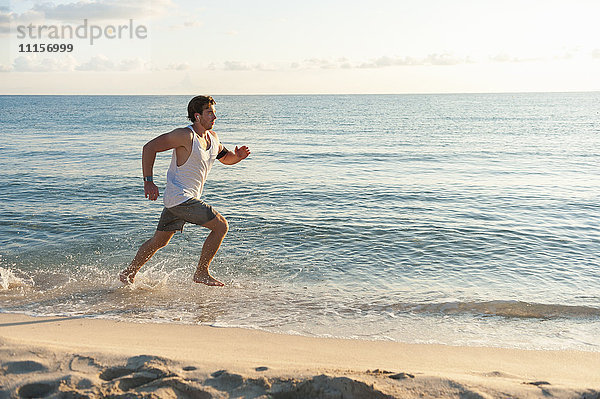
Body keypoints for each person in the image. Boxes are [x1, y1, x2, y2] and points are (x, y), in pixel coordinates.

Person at [120, 95, 250, 287]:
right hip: (181, 198)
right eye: (210, 113)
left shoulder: (213, 139)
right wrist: (148, 181)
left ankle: (128, 273)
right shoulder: (185, 135)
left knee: (159, 241)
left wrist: (237, 157)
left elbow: (225, 158)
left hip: (178, 200)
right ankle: (201, 272)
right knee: (221, 226)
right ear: (197, 116)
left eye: (214, 113)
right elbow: (149, 148)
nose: (214, 117)